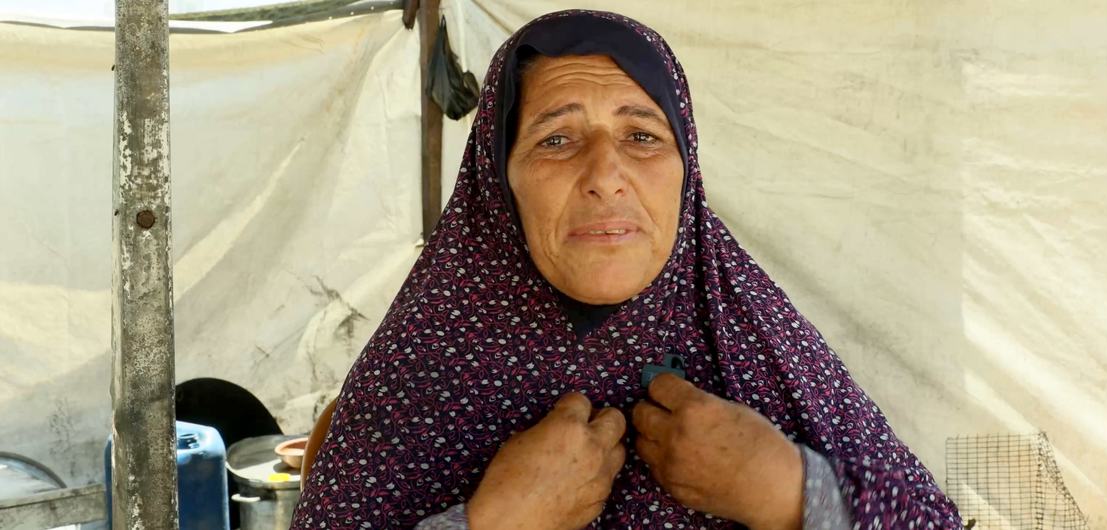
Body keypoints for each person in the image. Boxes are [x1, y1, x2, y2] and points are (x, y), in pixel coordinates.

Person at [292, 9, 962, 530]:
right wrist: (493, 523)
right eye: (557, 138)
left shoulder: (758, 345)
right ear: (499, 184)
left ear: (685, 174)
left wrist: (790, 492)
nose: (606, 175)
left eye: (642, 136)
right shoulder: (416, 383)